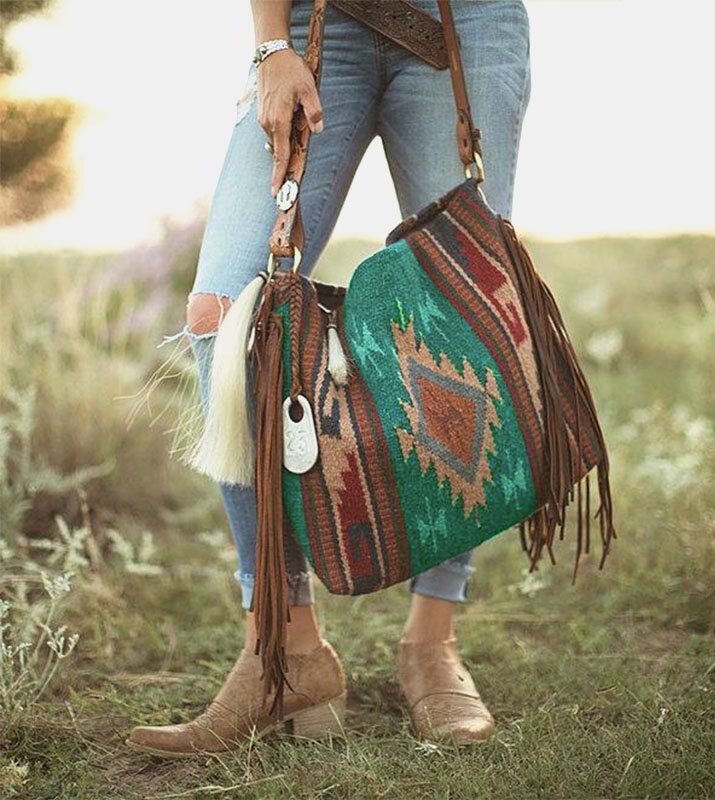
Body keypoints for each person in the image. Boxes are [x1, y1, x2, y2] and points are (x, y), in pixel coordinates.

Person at [127, 0, 531, 757]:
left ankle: (431, 641)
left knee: (464, 321)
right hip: (320, 23)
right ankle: (286, 649)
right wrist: (272, 44)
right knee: (226, 312)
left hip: (464, 23)